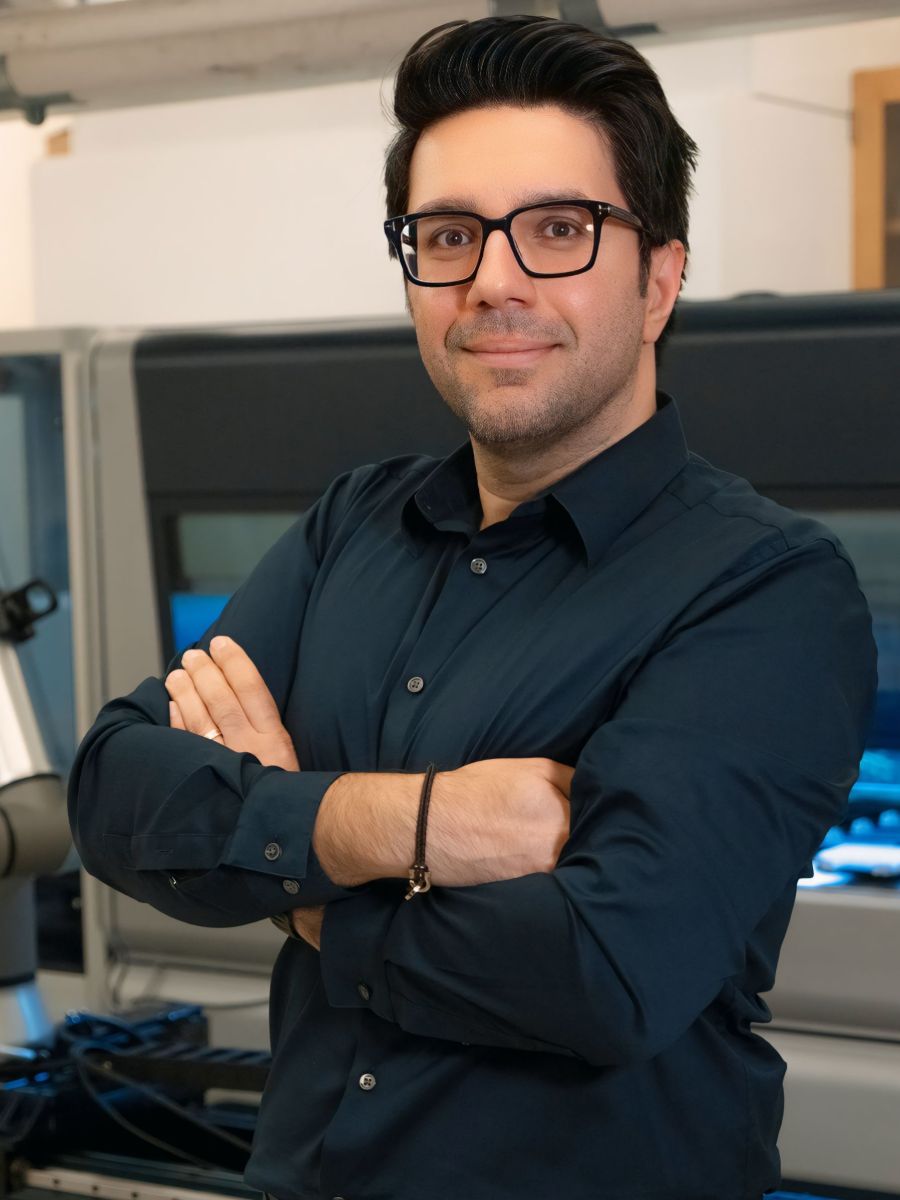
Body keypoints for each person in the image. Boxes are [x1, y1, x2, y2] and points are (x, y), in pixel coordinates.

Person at [68, 14, 878, 1200]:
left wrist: (288, 866)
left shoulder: (767, 590)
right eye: (448, 235)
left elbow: (604, 971)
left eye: (559, 229)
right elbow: (113, 788)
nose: (493, 280)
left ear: (660, 277)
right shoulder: (355, 526)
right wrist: (414, 825)